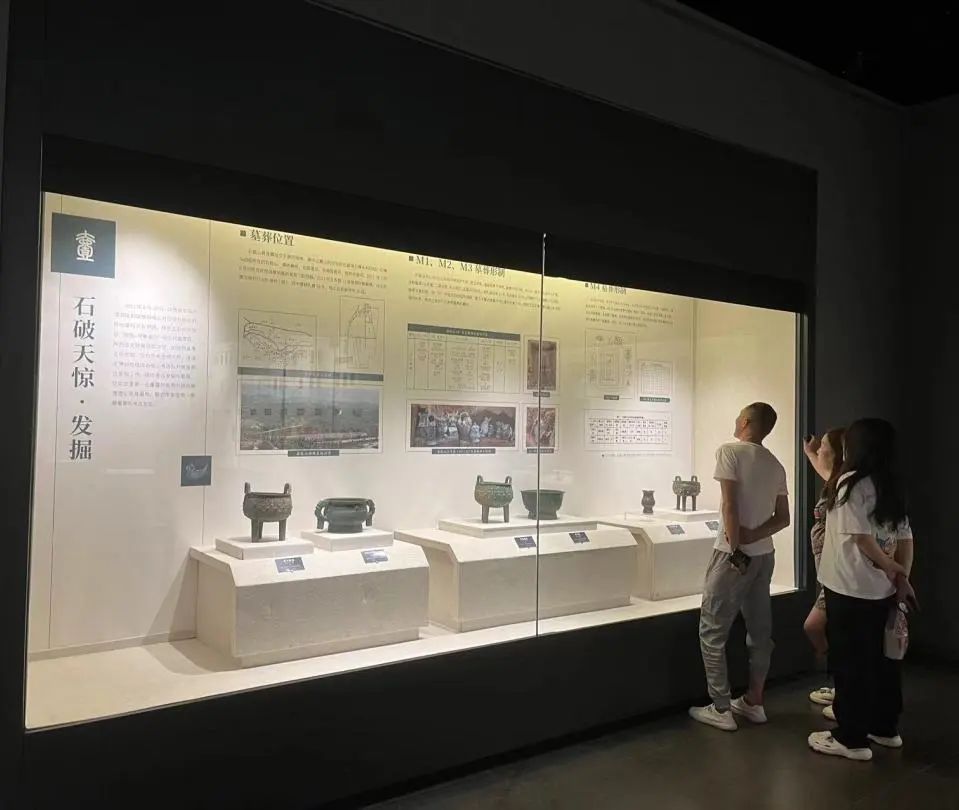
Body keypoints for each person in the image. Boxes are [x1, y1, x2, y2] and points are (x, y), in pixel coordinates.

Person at [808, 418, 917, 761]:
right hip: (882, 590)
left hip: (849, 586)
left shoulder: (850, 483)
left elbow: (859, 537)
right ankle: (885, 728)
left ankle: (851, 738)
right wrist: (901, 577)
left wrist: (888, 567)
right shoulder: (890, 484)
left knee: (850, 663)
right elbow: (905, 538)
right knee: (884, 661)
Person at [689, 402, 790, 731]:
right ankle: (754, 701)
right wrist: (753, 537)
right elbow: (783, 518)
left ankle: (721, 708)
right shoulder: (775, 464)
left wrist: (736, 546)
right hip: (764, 556)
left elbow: (729, 505)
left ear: (745, 421)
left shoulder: (729, 452)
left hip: (734, 556)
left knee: (712, 630)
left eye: (738, 417)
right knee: (760, 632)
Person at [802, 429, 847, 708]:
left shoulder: (846, 487)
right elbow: (825, 470)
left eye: (823, 447)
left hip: (838, 575)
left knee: (815, 626)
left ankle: (846, 691)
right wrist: (809, 453)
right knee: (829, 630)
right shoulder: (837, 481)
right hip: (829, 573)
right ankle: (842, 685)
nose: (820, 450)